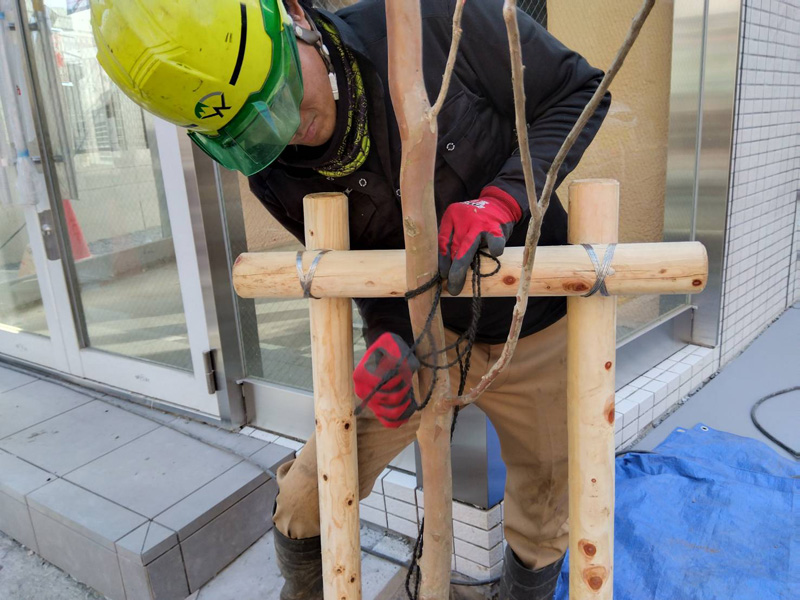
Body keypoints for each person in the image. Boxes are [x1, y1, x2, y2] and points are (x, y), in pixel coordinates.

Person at [91, 0, 610, 597]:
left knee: (544, 514)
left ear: (296, 20)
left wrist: (504, 197)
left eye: (280, 94)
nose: (286, 128)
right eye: (250, 130)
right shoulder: (274, 169)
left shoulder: (438, 25)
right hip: (421, 335)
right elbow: (364, 272)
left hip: (533, 322)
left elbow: (579, 91)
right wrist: (388, 340)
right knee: (310, 491)